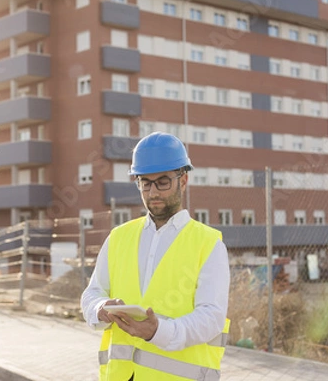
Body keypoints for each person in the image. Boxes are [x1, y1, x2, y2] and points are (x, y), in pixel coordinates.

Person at [81, 132, 230, 381]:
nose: (153, 192)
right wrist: (100, 309)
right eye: (145, 182)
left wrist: (159, 331)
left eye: (162, 182)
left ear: (183, 181)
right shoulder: (119, 237)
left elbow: (211, 317)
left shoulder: (208, 244)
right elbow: (92, 293)